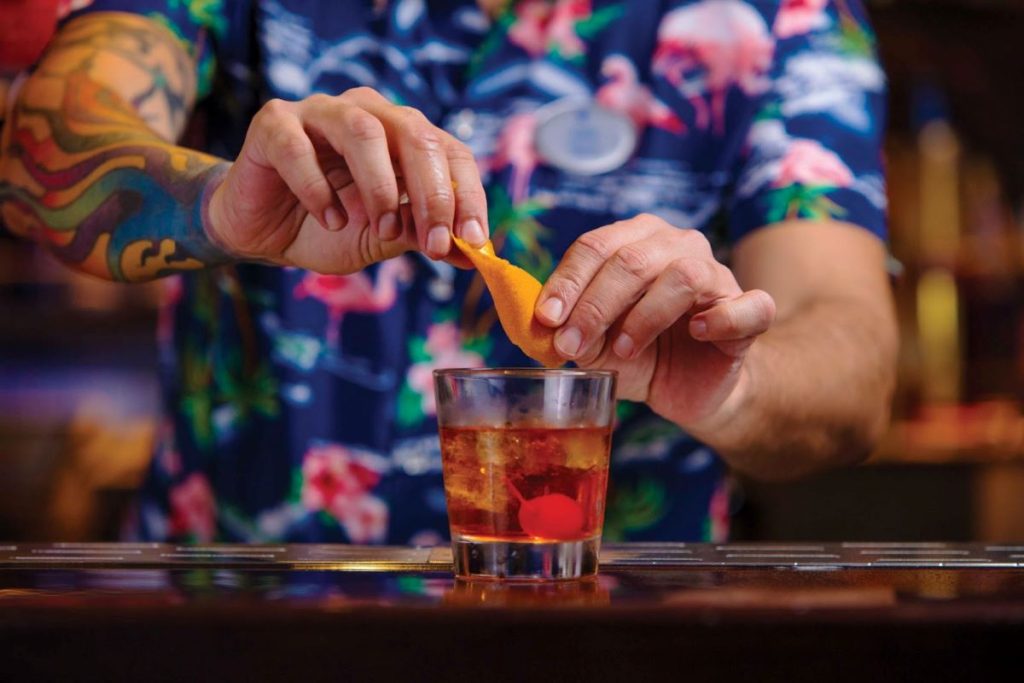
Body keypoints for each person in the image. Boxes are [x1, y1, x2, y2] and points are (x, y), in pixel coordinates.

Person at [0, 0, 897, 545]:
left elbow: (851, 357)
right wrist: (218, 207)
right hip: (229, 629)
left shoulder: (777, 18)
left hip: (607, 643)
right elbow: (37, 156)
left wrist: (735, 387)